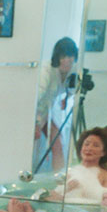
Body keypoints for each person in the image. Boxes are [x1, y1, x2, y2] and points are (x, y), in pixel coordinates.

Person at [34, 37, 79, 171]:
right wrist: (35, 123)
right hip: (33, 112)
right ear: (57, 57)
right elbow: (36, 97)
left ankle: (59, 179)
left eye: (70, 57)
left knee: (58, 143)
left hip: (46, 112)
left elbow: (72, 88)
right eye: (64, 57)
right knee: (33, 143)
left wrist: (67, 97)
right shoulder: (46, 69)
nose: (67, 61)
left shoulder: (73, 70)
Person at [59, 125, 107, 202]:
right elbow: (57, 195)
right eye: (86, 144)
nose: (89, 148)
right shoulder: (69, 172)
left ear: (104, 152)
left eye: (96, 146)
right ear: (81, 148)